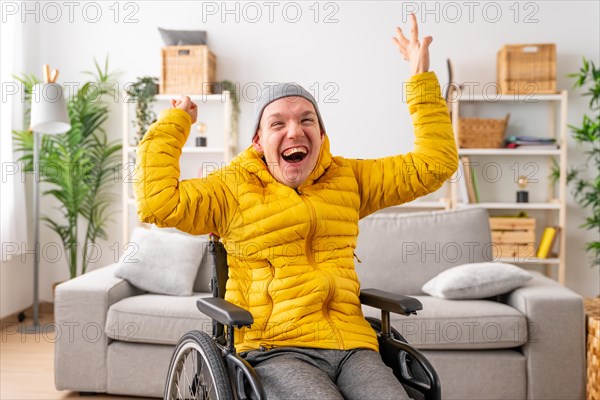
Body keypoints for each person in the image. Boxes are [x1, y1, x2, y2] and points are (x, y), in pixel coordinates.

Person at [135, 14, 457, 400]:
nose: (294, 131)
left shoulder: (349, 178)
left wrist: (419, 78)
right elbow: (156, 202)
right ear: (257, 141)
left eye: (307, 120)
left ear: (321, 136)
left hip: (354, 346)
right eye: (277, 123)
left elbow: (434, 164)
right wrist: (176, 123)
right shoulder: (230, 189)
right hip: (276, 348)